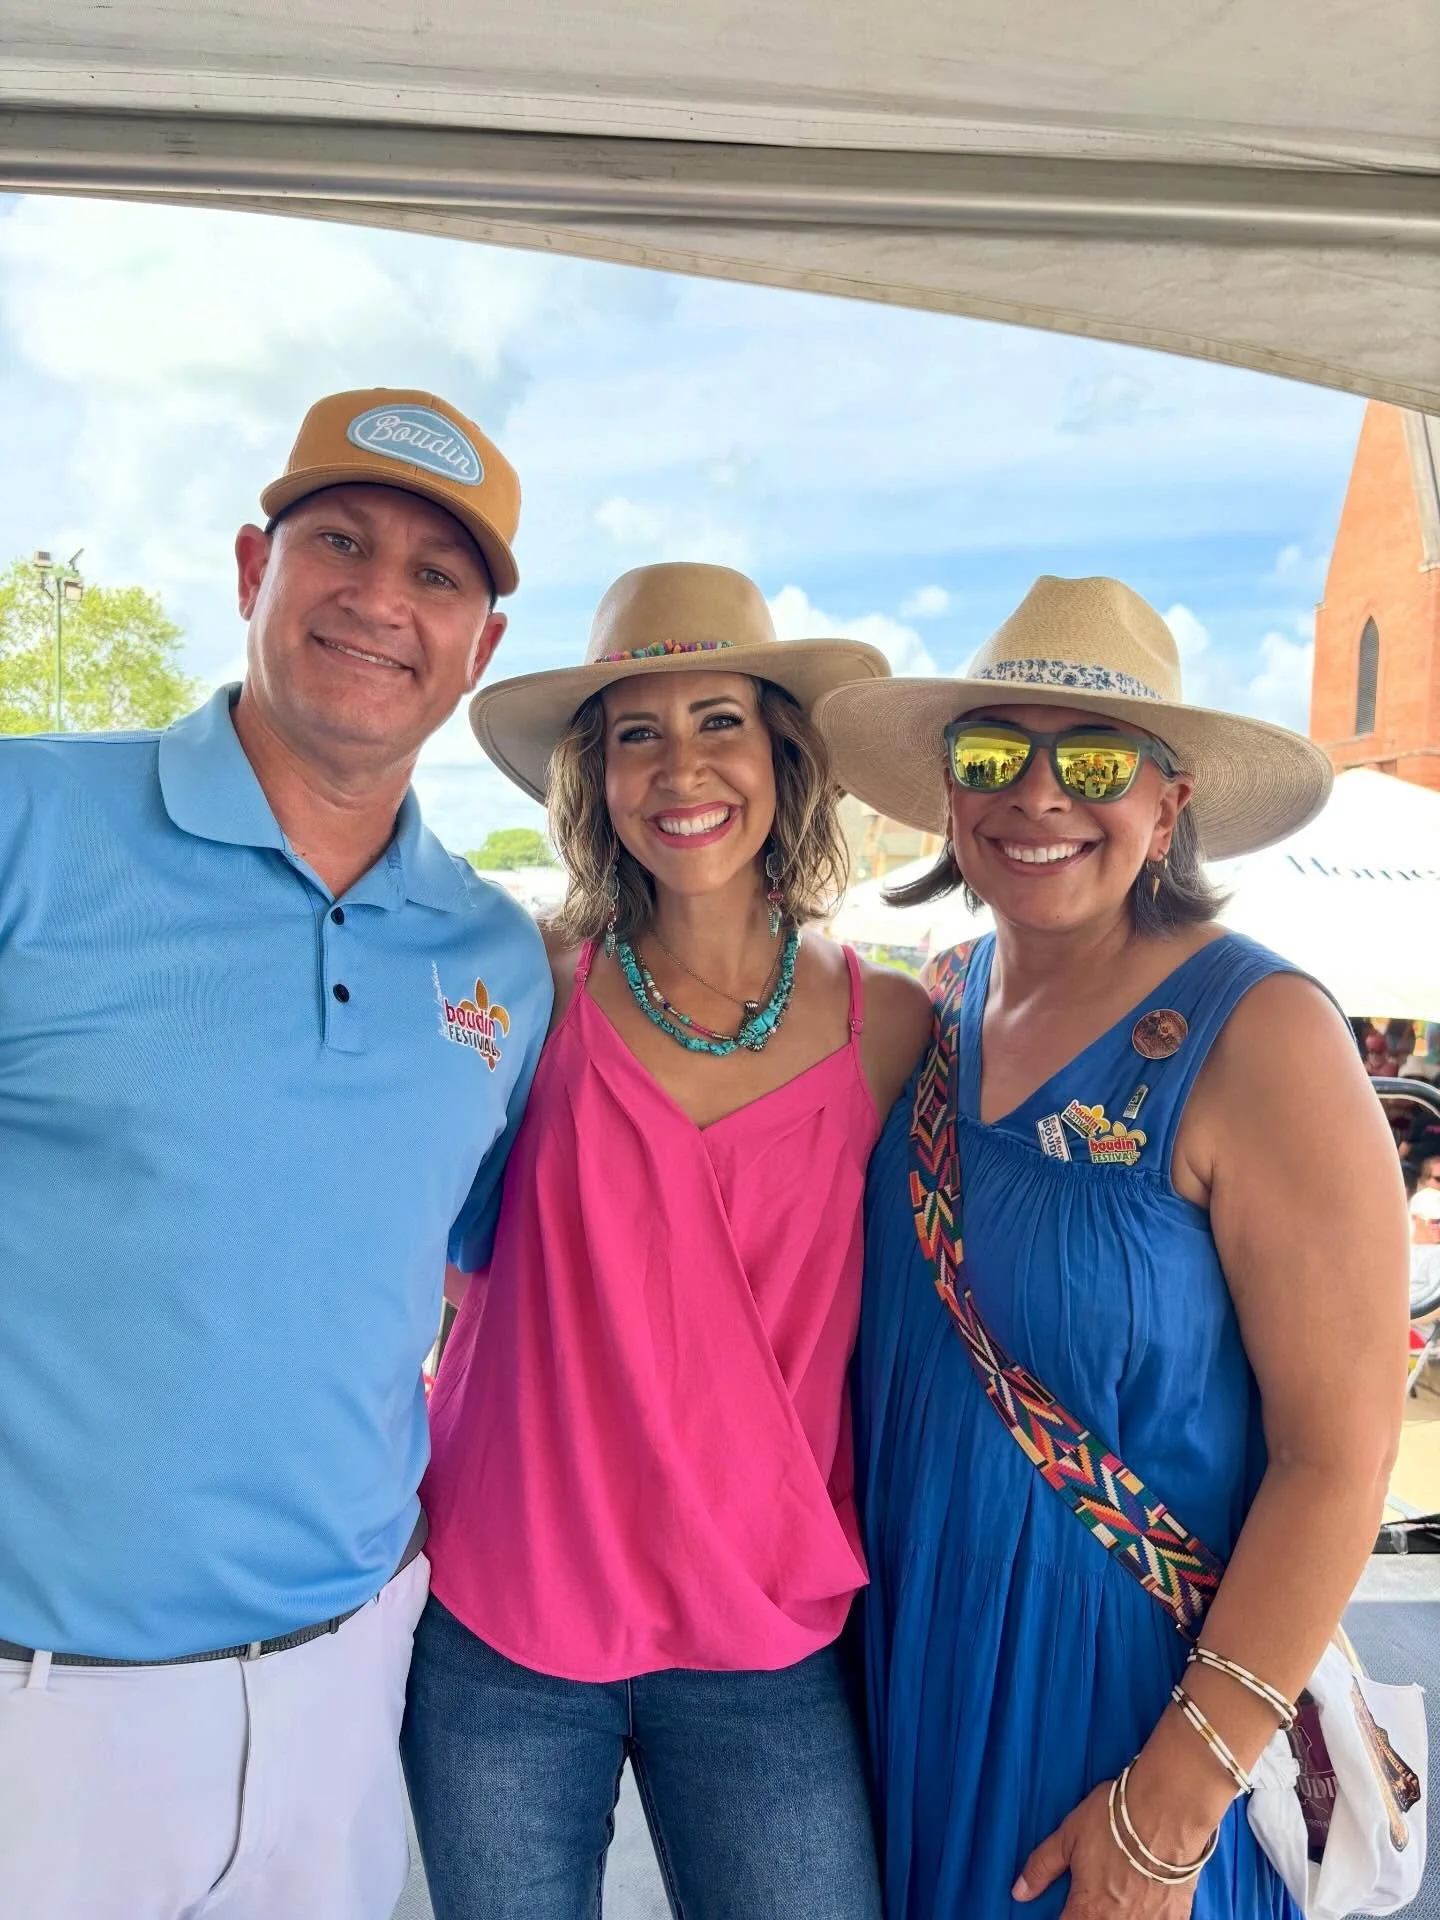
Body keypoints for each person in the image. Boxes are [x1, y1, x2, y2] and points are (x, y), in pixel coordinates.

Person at [0, 388, 551, 1920]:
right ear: (254, 569)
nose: (383, 598)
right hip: (36, 1719)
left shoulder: (500, 956)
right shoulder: (25, 821)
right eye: (341, 544)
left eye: (439, 576)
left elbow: (442, 1267)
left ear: (481, 648)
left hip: (345, 1694)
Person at [815, 575, 1409, 1920]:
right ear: (950, 790)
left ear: (1168, 800)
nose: (1038, 794)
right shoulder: (938, 1011)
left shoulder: (1263, 1036)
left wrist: (1170, 1811)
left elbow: (1341, 1457)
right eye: (991, 755)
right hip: (912, 1677)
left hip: (1130, 1723)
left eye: (1092, 759)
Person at [402, 562, 933, 1920]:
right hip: (504, 1611)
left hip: (764, 1631)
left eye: (720, 722)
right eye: (637, 730)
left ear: (783, 756)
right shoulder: (521, 989)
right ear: (595, 773)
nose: (680, 765)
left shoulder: (895, 1030)